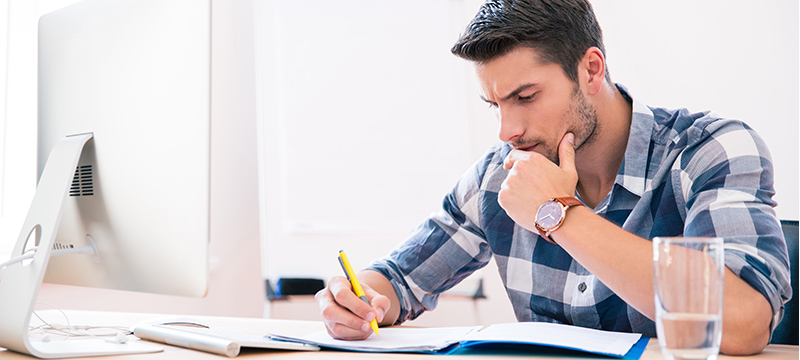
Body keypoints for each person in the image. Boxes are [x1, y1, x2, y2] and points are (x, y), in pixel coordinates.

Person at [314, 0, 792, 355]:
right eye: (496, 105)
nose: (508, 130)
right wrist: (357, 301)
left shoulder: (712, 151)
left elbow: (747, 322)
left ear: (590, 69)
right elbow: (398, 281)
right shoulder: (499, 176)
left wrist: (558, 215)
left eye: (525, 97)